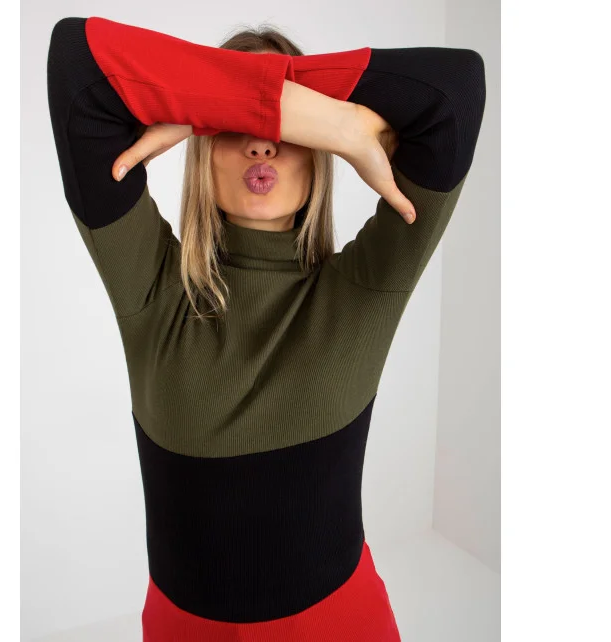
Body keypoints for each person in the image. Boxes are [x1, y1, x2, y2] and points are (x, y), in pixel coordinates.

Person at [47, 15, 486, 642]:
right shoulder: (151, 287)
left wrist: (279, 106)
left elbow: (456, 89)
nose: (261, 144)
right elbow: (75, 61)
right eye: (231, 124)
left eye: (286, 126)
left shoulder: (363, 290)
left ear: (319, 148)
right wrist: (302, 112)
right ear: (202, 147)